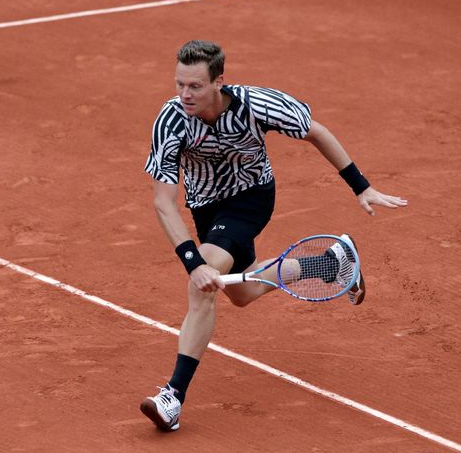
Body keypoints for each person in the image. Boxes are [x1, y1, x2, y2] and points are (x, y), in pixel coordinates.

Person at [139, 40, 408, 432]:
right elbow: (163, 202)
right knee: (241, 293)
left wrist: (361, 186)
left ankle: (172, 398)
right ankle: (332, 262)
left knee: (203, 287)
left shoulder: (257, 104)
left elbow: (316, 132)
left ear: (219, 81)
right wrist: (191, 262)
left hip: (250, 198)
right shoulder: (171, 119)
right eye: (179, 84)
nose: (184, 94)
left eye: (195, 86)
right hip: (206, 208)